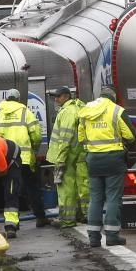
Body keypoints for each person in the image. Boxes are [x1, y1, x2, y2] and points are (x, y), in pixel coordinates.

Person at [77, 86, 135, 247]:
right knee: (113, 198)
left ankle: (94, 238)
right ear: (113, 98)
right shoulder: (117, 110)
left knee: (95, 199)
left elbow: (81, 137)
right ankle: (111, 236)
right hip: (114, 160)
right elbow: (130, 135)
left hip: (93, 160)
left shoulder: (85, 111)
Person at [0, 88, 48, 228]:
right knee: (32, 187)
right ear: (18, 99)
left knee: (6, 189)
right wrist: (34, 148)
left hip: (2, 158)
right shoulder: (26, 112)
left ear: (7, 99)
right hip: (24, 158)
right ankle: (40, 217)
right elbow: (36, 134)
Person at [45, 86, 88, 228]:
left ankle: (67, 219)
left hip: (68, 156)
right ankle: (83, 215)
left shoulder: (68, 112)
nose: (56, 99)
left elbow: (65, 137)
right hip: (78, 154)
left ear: (66, 97)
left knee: (66, 189)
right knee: (81, 186)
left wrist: (61, 158)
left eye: (58, 96)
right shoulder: (76, 108)